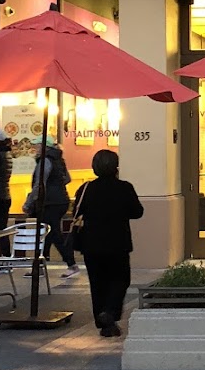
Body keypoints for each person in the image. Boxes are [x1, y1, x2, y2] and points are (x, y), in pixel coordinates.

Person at [72, 149, 144, 337]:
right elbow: (137, 212)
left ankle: (103, 321)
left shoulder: (86, 188)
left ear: (94, 167)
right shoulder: (124, 188)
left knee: (97, 283)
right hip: (117, 242)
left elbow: (76, 212)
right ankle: (110, 312)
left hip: (91, 243)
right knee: (120, 279)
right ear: (116, 166)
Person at [28, 140, 80, 280]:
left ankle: (71, 264)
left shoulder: (45, 161)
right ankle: (39, 266)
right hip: (61, 200)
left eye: (37, 145)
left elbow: (39, 184)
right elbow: (67, 179)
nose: (35, 148)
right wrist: (57, 185)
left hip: (51, 202)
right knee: (48, 233)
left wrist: (29, 202)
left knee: (54, 233)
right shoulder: (58, 159)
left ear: (45, 147)